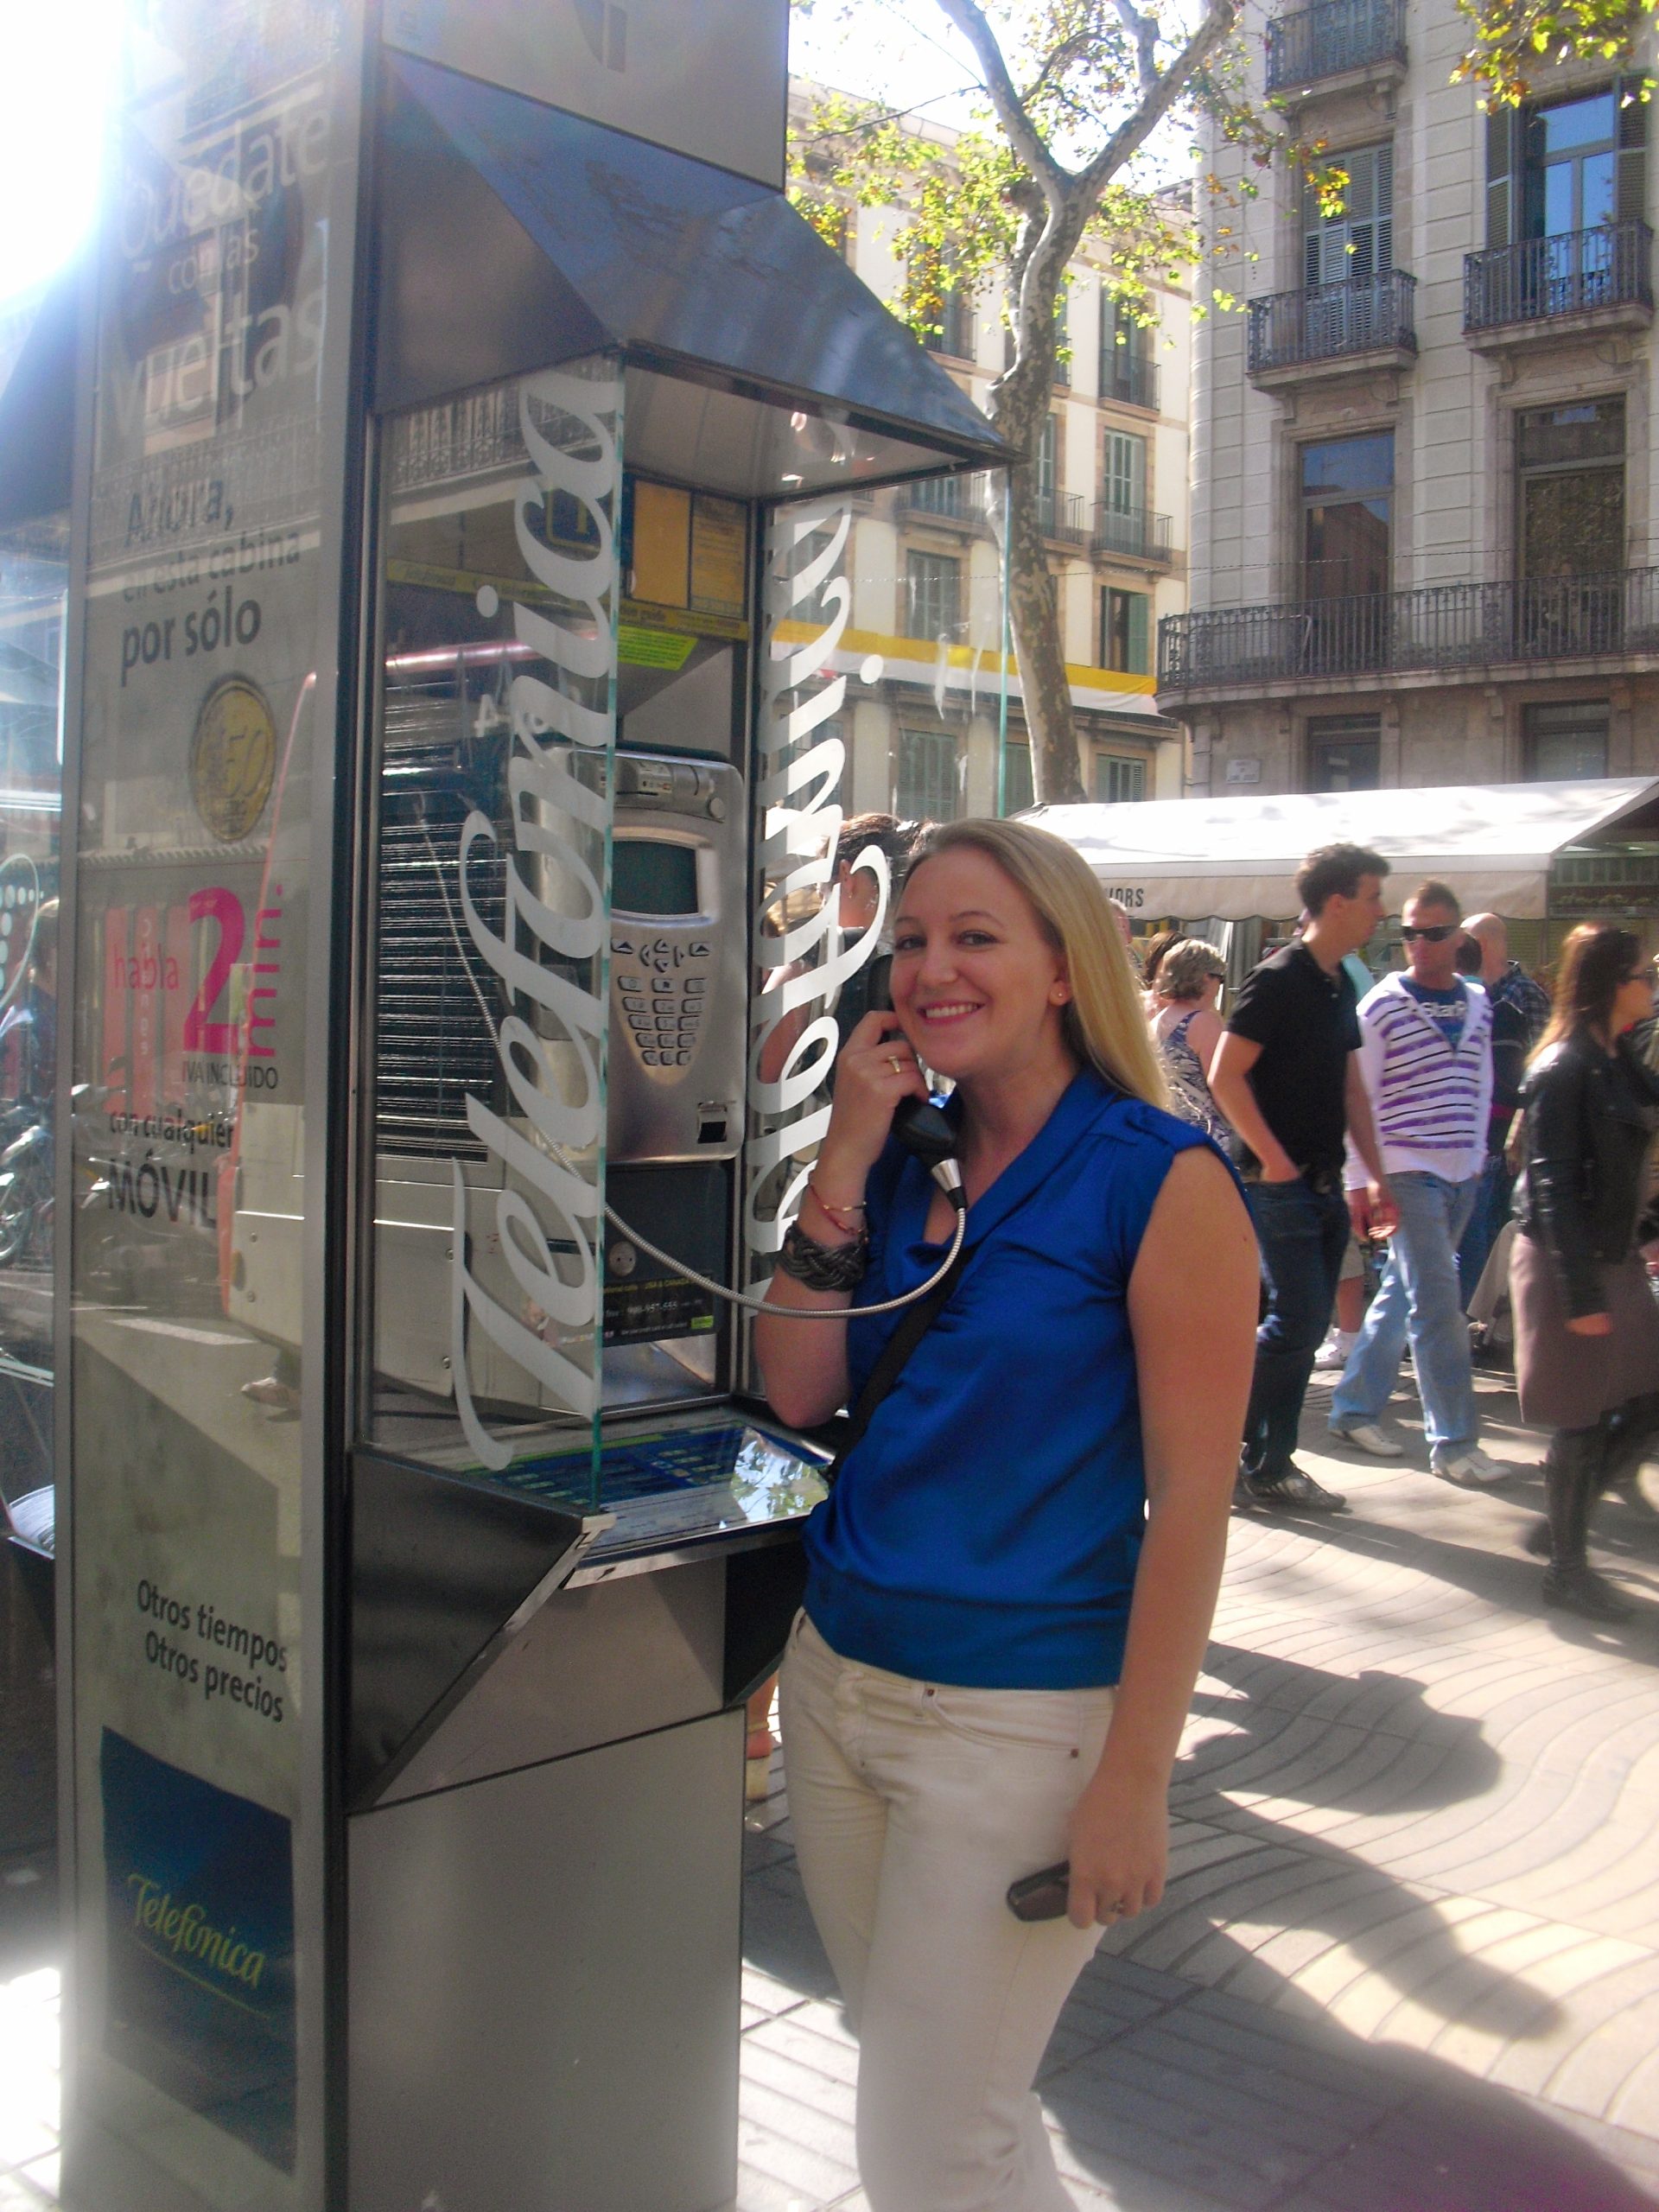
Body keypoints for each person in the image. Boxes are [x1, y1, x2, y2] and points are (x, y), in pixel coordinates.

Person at [756, 817, 1256, 2211]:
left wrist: (1138, 1779)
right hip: (836, 1684)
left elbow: (1193, 1506)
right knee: (951, 2110)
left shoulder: (1160, 1180)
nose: (932, 971)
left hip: (1016, 1728)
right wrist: (846, 1152)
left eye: (975, 938)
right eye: (912, 941)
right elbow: (795, 1388)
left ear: (1064, 967)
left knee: (927, 2149)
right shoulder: (902, 1161)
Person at [1209, 845, 1397, 1513]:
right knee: (1298, 1321)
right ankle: (1227, 1447)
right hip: (1276, 1185)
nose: (1382, 912)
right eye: (1373, 897)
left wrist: (1374, 1176)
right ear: (1337, 903)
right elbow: (1224, 1074)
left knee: (1302, 1326)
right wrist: (1274, 1159)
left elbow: (1351, 1089)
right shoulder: (1278, 978)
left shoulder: (1338, 982)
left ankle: (1262, 1462)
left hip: (1322, 1181)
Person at [1327, 881, 1510, 1484]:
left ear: (1458, 937)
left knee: (1404, 1294)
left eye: (1433, 933)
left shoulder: (1478, 1001)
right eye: (1409, 933)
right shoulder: (1380, 1005)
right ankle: (1454, 1442)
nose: (1420, 944)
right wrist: (1361, 1181)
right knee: (1438, 1307)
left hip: (1461, 1172)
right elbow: (1356, 1097)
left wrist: (1478, 1154)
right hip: (1405, 1172)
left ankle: (1353, 1407)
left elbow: (1482, 1080)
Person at [1510, 925, 1659, 1621]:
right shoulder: (1563, 1067)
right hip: (1566, 1262)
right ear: (1609, 984)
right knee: (1583, 1418)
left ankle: (1566, 1511)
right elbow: (1551, 1185)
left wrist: (1647, 1234)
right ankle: (1566, 1570)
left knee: (1646, 1401)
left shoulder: (1617, 1057)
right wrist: (1579, 1293)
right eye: (1643, 974)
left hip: (1612, 1257)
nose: (1652, 984)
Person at [1457, 912, 1550, 1306]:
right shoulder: (1471, 994)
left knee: (1491, 1227)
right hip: (1479, 1134)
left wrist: (1522, 1131)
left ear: (1481, 945)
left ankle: (1484, 1315)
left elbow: (1541, 1067)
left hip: (1508, 1135)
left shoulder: (1524, 995)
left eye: (1464, 941)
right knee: (1478, 1228)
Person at [1148, 938, 1230, 1143]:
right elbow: (1222, 1086)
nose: (1219, 987)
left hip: (1164, 1129)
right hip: (1202, 1133)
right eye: (1220, 979)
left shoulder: (1155, 1022)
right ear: (1206, 977)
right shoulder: (1204, 1022)